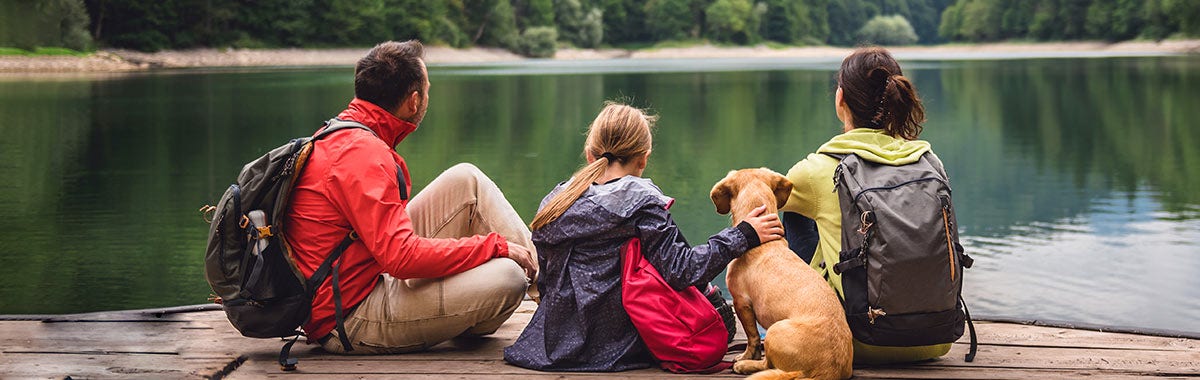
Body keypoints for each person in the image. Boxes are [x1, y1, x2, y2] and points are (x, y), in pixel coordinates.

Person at [284, 40, 539, 354]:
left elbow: (390, 249)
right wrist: (494, 246)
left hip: (364, 271)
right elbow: (401, 259)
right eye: (428, 89)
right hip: (349, 317)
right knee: (509, 277)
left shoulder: (345, 133)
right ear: (414, 101)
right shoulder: (364, 155)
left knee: (466, 179)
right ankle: (555, 299)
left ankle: (553, 294)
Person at [503, 102, 784, 371]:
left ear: (590, 154)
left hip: (553, 341)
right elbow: (683, 270)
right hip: (619, 344)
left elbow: (549, 279)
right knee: (716, 309)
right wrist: (742, 235)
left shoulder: (555, 202)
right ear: (643, 159)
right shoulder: (641, 204)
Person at [780, 46, 952, 364]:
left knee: (793, 210)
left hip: (851, 340)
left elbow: (764, 203)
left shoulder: (816, 170)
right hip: (937, 338)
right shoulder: (930, 162)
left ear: (840, 99)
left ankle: (796, 318)